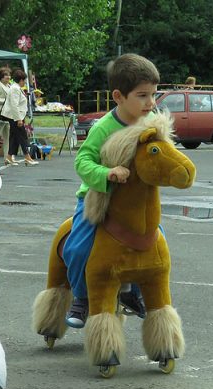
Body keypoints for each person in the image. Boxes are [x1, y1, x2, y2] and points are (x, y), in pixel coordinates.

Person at [63, 53, 158, 328]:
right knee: (78, 248)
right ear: (118, 96)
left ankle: (132, 292)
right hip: (98, 198)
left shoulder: (152, 122)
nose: (150, 103)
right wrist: (107, 173)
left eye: (153, 94)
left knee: (154, 243)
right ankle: (81, 298)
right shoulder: (104, 127)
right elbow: (83, 161)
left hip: (136, 203)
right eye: (142, 95)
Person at [4, 69, 38, 166]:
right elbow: (14, 104)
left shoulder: (16, 88)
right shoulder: (15, 88)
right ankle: (27, 157)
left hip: (15, 116)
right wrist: (18, 119)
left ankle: (9, 156)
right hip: (15, 116)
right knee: (22, 136)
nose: (25, 83)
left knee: (14, 137)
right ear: (21, 80)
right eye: (24, 80)